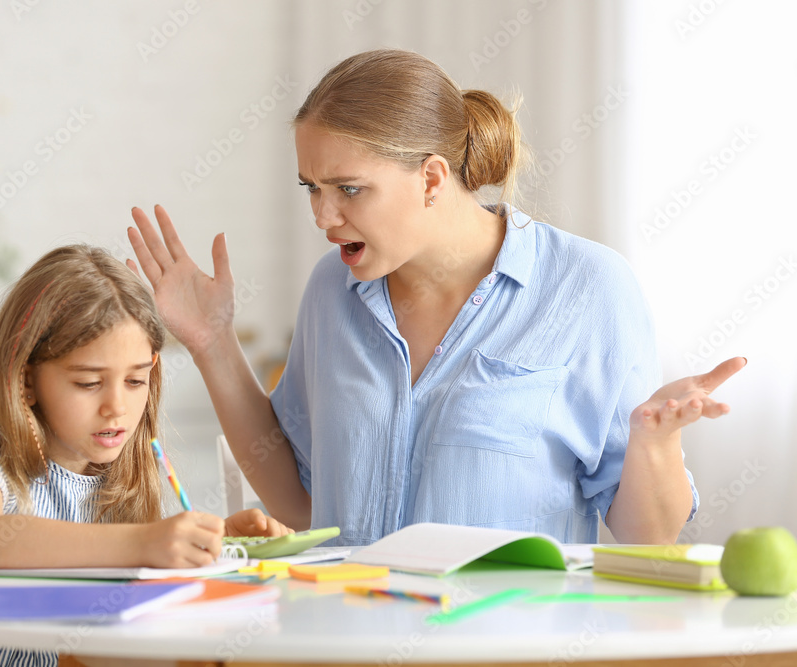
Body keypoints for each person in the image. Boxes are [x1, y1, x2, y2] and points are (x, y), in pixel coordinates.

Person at [126, 49, 745, 548]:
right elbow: (305, 502)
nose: (322, 216)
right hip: (345, 646)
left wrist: (654, 441)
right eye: (310, 187)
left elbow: (648, 534)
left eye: (348, 188)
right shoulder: (331, 292)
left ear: (430, 177)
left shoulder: (588, 289)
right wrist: (211, 343)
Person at [0, 245, 290, 667]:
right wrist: (145, 542)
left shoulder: (110, 480)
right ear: (26, 378)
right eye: (88, 383)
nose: (116, 406)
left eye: (136, 380)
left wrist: (210, 544)